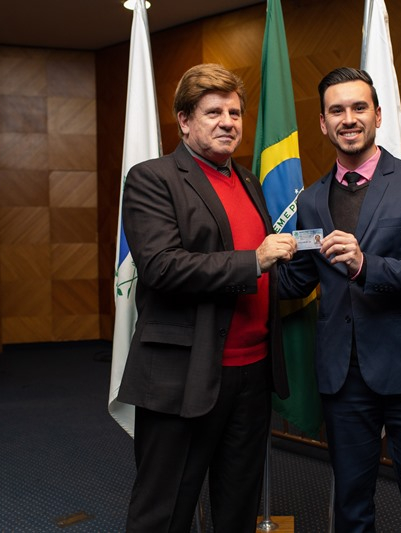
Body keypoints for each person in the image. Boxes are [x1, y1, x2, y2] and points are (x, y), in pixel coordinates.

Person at [117, 63, 296, 533]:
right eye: (213, 112)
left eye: (235, 113)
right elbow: (161, 267)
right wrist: (253, 260)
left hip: (252, 374)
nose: (228, 122)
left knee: (237, 509)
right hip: (183, 376)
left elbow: (263, 268)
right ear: (184, 120)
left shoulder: (250, 182)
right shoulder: (152, 178)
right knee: (164, 513)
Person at [278, 67, 401, 532]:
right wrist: (245, 263)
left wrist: (364, 265)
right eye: (337, 110)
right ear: (323, 123)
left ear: (378, 114)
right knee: (351, 506)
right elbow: (298, 280)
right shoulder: (311, 200)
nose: (349, 118)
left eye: (359, 107)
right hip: (343, 377)